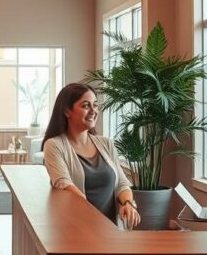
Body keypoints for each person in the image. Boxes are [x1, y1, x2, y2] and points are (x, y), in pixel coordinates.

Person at [42, 83, 141, 229]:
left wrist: (128, 203)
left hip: (112, 232)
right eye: (86, 105)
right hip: (78, 230)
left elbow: (122, 183)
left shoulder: (106, 144)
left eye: (95, 105)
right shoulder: (54, 145)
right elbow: (64, 184)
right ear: (67, 111)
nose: (93, 111)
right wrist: (94, 218)